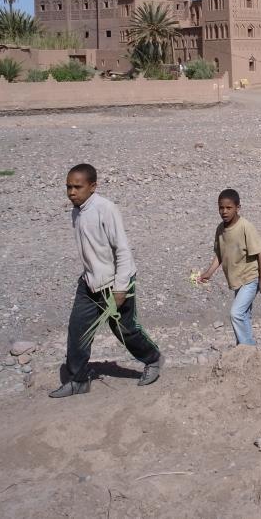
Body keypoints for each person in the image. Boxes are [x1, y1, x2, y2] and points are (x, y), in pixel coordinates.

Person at [49, 163, 162, 398]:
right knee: (78, 329)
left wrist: (120, 288)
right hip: (89, 283)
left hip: (115, 282)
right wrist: (89, 275)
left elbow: (122, 249)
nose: (71, 192)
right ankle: (78, 380)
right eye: (68, 187)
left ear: (93, 187)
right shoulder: (77, 211)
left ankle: (153, 359)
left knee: (124, 330)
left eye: (77, 187)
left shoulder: (105, 209)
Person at [198, 188, 261, 346]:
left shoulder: (245, 227)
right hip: (237, 279)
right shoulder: (220, 229)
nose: (224, 211)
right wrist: (208, 273)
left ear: (238, 208)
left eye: (229, 208)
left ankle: (247, 349)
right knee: (244, 315)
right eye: (221, 207)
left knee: (236, 313)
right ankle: (245, 348)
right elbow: (219, 254)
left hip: (250, 278)